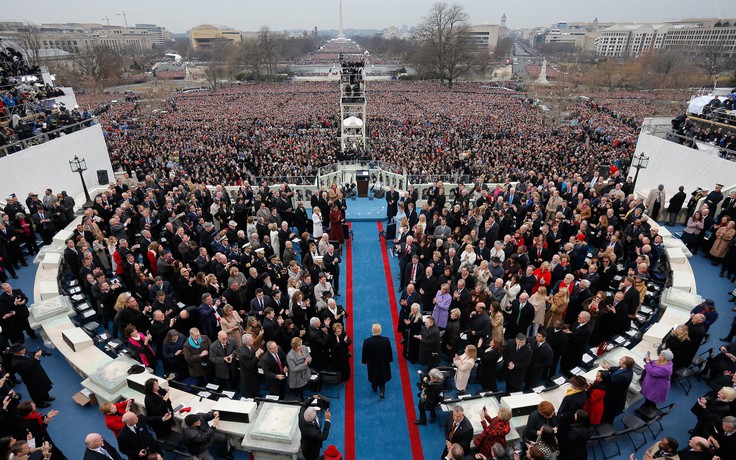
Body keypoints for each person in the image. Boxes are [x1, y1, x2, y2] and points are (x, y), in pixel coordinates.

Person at [362, 323, 393, 398]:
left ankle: (374, 387)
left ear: (372, 330)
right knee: (383, 375)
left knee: (373, 375)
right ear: (380, 330)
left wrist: (364, 361)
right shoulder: (386, 340)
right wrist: (390, 360)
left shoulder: (367, 341)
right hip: (384, 362)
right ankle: (382, 391)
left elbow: (364, 352)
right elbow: (389, 351)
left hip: (372, 363)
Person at [601, 355, 635, 423]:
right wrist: (609, 367)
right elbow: (616, 369)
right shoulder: (625, 369)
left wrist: (606, 371)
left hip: (614, 397)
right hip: (613, 393)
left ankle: (606, 426)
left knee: (609, 413)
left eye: (621, 360)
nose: (619, 359)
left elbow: (610, 381)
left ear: (625, 364)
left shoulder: (623, 376)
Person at [299, 395, 331, 460]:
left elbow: (304, 405)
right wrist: (327, 420)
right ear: (314, 419)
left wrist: (312, 397)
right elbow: (324, 436)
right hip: (311, 451)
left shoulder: (301, 416)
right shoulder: (314, 433)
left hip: (305, 443)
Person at [239, 333, 264, 398]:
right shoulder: (243, 353)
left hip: (253, 373)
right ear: (247, 342)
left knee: (255, 387)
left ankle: (256, 395)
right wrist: (257, 355)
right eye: (251, 339)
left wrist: (257, 352)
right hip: (248, 376)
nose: (253, 340)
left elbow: (251, 355)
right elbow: (250, 365)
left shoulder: (249, 347)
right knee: (250, 391)